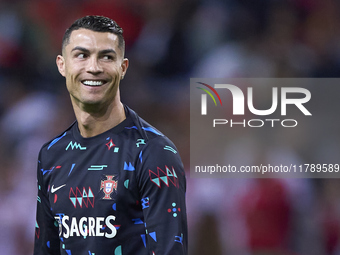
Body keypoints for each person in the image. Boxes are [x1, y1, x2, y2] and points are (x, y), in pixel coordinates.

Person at [34, 15, 187, 255]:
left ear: (122, 68)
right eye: (81, 55)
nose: (94, 68)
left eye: (106, 57)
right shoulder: (51, 155)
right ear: (62, 65)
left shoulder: (153, 153)